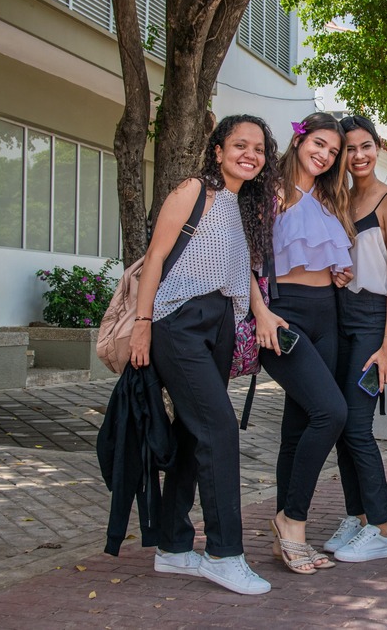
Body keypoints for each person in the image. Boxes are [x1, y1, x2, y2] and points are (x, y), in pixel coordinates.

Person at [132, 114, 278, 595]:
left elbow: (244, 272)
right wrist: (142, 325)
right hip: (178, 321)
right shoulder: (194, 190)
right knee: (220, 430)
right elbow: (155, 258)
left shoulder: (246, 205)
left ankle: (174, 547)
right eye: (240, 145)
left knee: (194, 432)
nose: (250, 154)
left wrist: (260, 313)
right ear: (218, 150)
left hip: (220, 325)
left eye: (259, 148)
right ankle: (224, 554)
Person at [254, 112, 354, 574]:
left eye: (333, 151)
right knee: (331, 413)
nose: (325, 155)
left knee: (298, 427)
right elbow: (244, 258)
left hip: (326, 314)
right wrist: (261, 312)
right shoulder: (268, 191)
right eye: (319, 144)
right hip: (283, 314)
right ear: (298, 140)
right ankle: (291, 520)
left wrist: (339, 271)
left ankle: (286, 534)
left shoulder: (330, 198)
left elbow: (320, 255)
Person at [322, 116, 387, 562]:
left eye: (366, 146)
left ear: (378, 147)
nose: (358, 156)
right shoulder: (339, 199)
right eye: (350, 149)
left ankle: (381, 527)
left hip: (375, 321)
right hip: (340, 315)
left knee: (358, 425)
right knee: (339, 422)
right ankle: (356, 517)